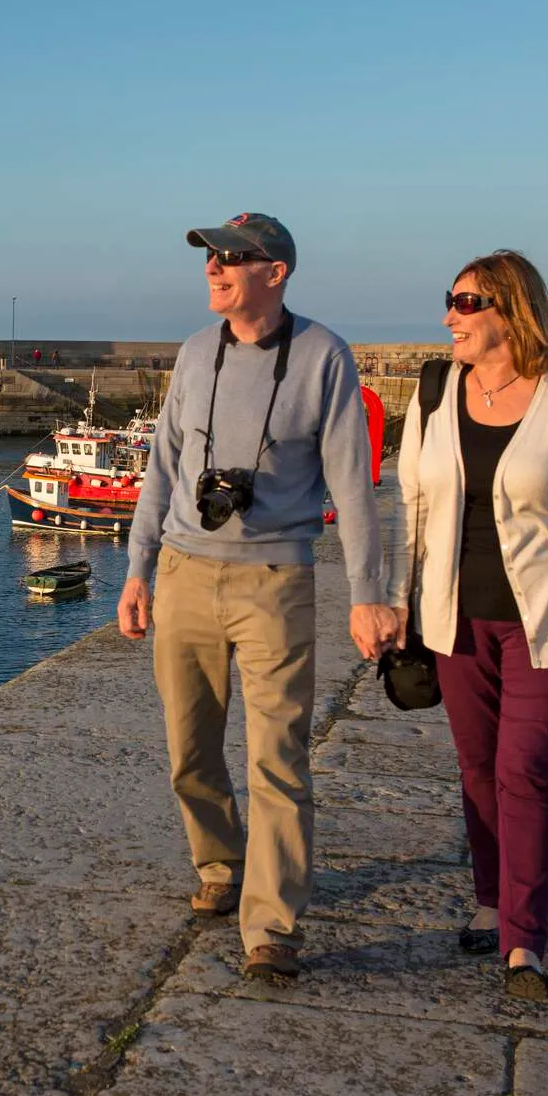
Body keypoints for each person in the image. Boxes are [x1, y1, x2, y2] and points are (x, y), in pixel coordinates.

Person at [118, 212, 397, 982]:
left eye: (232, 258)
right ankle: (218, 863)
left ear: (275, 272)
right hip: (183, 571)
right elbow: (163, 470)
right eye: (209, 257)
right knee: (190, 748)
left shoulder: (322, 357)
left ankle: (272, 924)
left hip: (275, 579)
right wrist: (138, 570)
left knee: (278, 756)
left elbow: (352, 482)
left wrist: (369, 593)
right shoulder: (192, 352)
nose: (214, 268)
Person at [390, 249, 548, 1001]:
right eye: (450, 301)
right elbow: (414, 506)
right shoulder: (434, 395)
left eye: (465, 304)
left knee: (523, 773)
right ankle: (491, 898)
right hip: (454, 617)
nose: (449, 318)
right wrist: (398, 603)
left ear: (510, 311)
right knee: (476, 770)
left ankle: (523, 938)